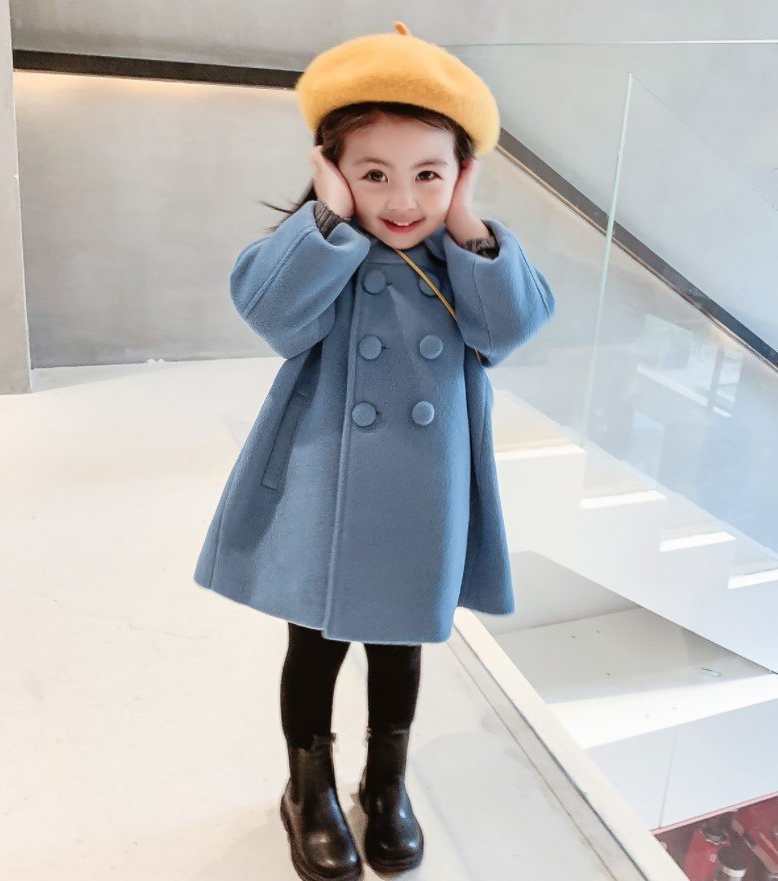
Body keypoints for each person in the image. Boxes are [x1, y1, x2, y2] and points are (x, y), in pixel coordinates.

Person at [192, 21, 557, 881]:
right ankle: (308, 788)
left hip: (425, 490)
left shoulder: (468, 255)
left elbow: (511, 329)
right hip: (323, 482)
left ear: (461, 172)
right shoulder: (325, 248)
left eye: (429, 173)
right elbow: (273, 316)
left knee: (400, 644)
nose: (401, 199)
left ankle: (384, 783)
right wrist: (326, 217)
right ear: (333, 167)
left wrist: (467, 226)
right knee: (314, 644)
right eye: (372, 172)